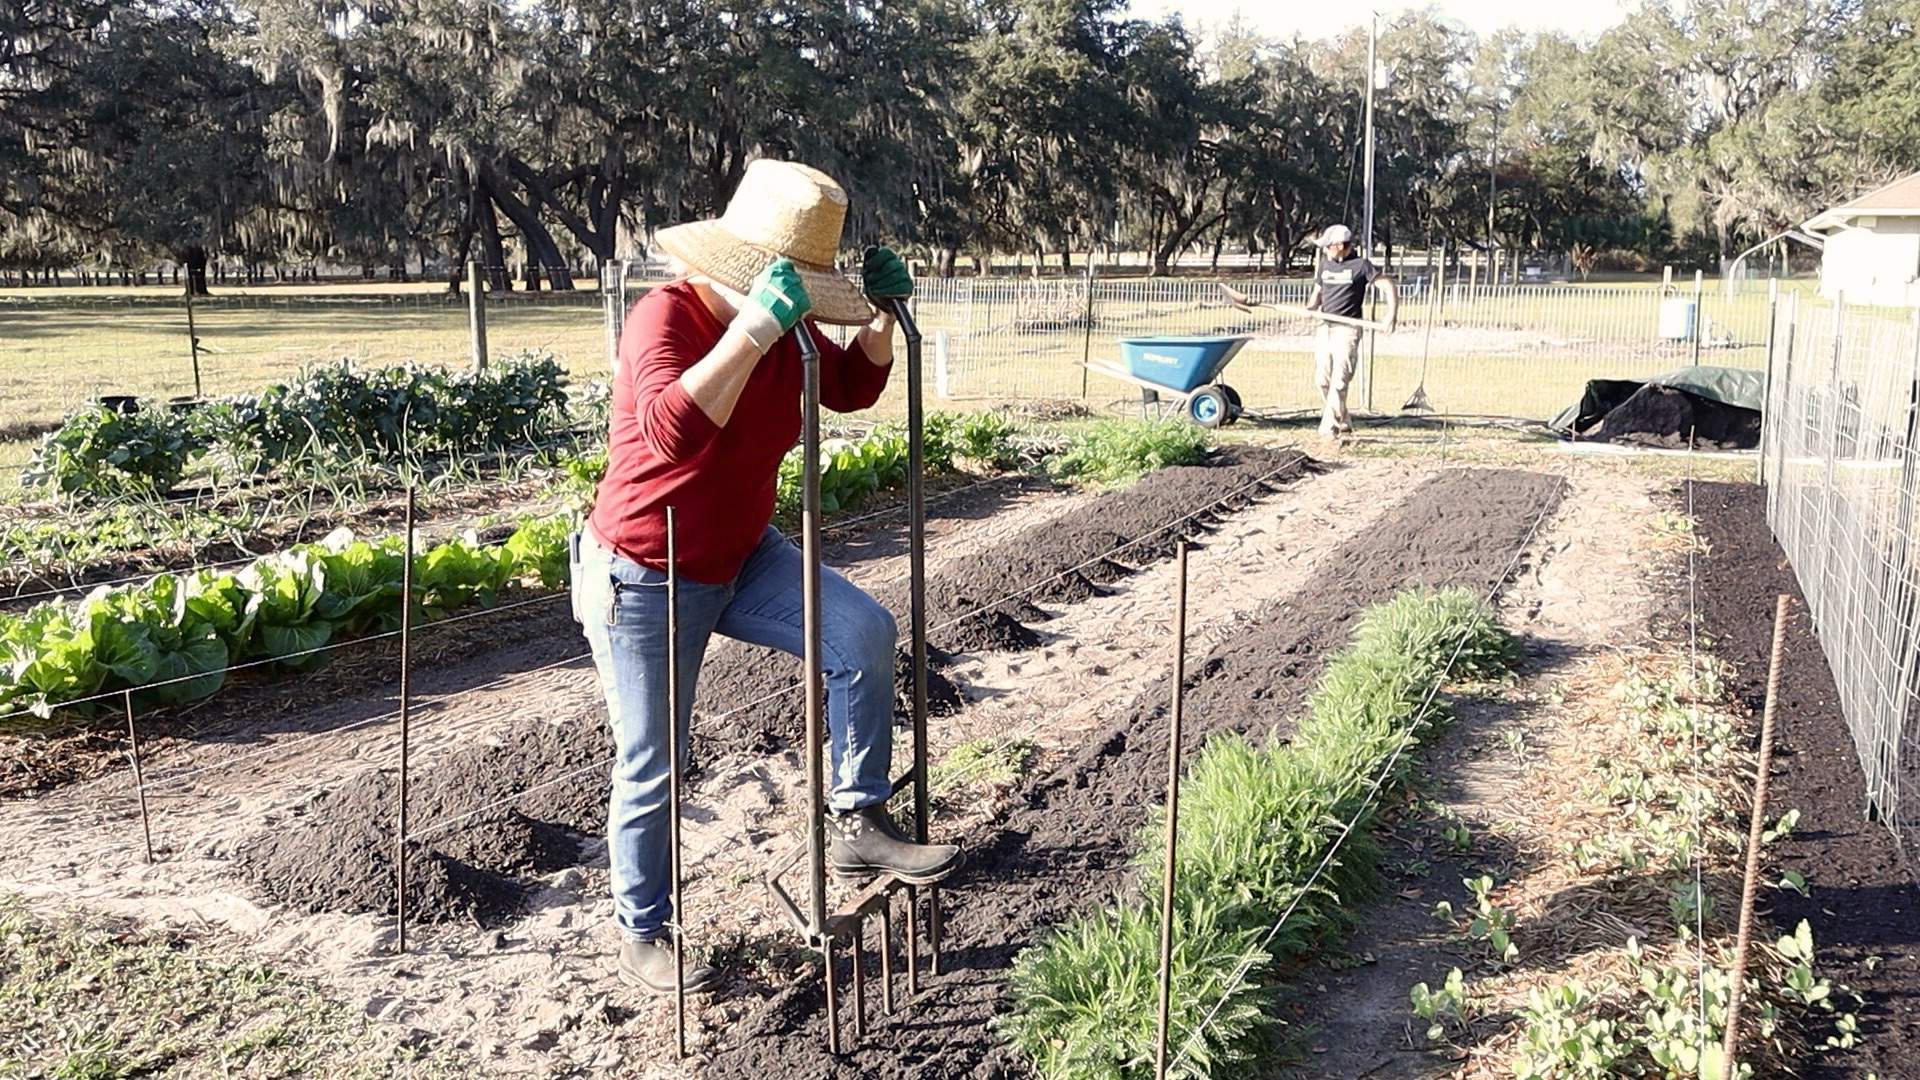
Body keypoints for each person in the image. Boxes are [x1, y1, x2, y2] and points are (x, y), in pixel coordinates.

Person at [570, 159, 964, 996]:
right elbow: (671, 431)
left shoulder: (787, 327)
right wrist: (750, 330)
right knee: (656, 763)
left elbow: (852, 386)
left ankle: (856, 817)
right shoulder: (663, 318)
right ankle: (642, 931)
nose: (793, 306)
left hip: (743, 556)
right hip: (646, 573)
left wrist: (881, 320)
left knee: (863, 633)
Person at [1303, 224, 1397, 436]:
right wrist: (1310, 308)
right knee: (1322, 380)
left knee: (1339, 381)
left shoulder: (1361, 266)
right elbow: (1317, 292)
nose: (1325, 250)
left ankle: (1329, 429)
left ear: (1338, 245)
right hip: (1325, 327)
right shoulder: (1325, 265)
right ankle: (1342, 418)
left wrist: (1391, 314)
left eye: (1328, 246)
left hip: (1348, 329)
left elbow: (1388, 285)